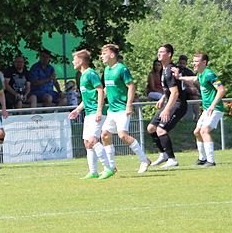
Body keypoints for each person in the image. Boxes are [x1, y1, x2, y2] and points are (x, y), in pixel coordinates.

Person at [99, 44, 151, 174]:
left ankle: (144, 160)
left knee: (122, 135)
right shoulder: (107, 70)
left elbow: (131, 86)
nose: (101, 56)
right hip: (112, 110)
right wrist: (101, 96)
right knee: (105, 135)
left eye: (104, 54)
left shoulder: (121, 69)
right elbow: (109, 87)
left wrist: (128, 105)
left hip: (122, 108)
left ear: (112, 55)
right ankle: (112, 166)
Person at [68, 49, 114, 180]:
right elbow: (87, 98)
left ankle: (109, 168)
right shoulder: (82, 76)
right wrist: (77, 110)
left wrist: (99, 110)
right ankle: (93, 172)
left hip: (95, 112)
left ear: (81, 61)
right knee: (87, 142)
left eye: (74, 59)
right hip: (88, 113)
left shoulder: (90, 73)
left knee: (93, 140)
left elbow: (100, 90)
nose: (73, 62)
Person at [177, 52, 225, 167]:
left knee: (204, 131)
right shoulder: (201, 74)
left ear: (204, 62)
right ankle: (202, 159)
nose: (193, 63)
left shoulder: (209, 74)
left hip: (215, 109)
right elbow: (194, 79)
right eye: (193, 61)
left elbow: (221, 90)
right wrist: (179, 78)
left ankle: (211, 161)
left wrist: (212, 106)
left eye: (196, 61)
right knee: (197, 132)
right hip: (207, 109)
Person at [145, 44, 187, 169]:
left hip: (178, 105)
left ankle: (172, 159)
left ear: (169, 54)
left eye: (162, 52)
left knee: (161, 130)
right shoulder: (164, 69)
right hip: (170, 102)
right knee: (151, 128)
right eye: (158, 51)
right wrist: (163, 97)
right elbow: (169, 89)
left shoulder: (170, 70)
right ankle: (163, 154)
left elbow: (175, 93)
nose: (159, 53)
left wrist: (167, 109)